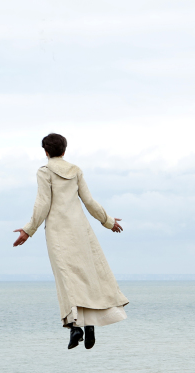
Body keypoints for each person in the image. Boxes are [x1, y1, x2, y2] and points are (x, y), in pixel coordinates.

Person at [13, 133, 129, 350]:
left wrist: (28, 231)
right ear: (64, 150)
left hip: (58, 232)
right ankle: (90, 326)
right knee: (87, 276)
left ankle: (75, 328)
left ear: (45, 152)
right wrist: (108, 221)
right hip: (81, 230)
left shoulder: (44, 172)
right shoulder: (75, 171)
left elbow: (42, 204)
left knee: (67, 279)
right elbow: (89, 201)